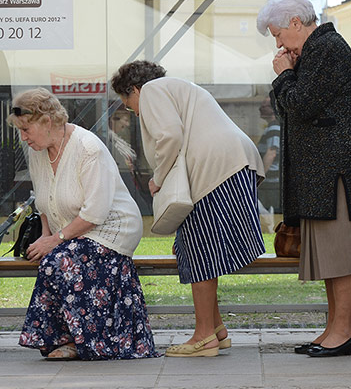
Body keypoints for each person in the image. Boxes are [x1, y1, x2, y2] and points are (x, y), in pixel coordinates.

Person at [257, 0, 351, 357]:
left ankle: (343, 331)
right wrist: (289, 75)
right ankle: (334, 328)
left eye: (280, 36)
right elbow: (291, 108)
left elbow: (298, 104)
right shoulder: (315, 52)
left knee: (341, 254)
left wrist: (284, 75)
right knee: (332, 255)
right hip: (327, 176)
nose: (280, 46)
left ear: (296, 23)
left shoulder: (327, 49)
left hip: (338, 174)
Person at [110, 61, 266, 358]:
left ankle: (204, 336)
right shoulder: (180, 88)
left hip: (215, 170)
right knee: (194, 247)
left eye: (128, 104)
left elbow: (169, 136)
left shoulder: (152, 91)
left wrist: (158, 178)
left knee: (199, 251)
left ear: (134, 89)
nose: (134, 112)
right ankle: (216, 329)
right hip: (232, 164)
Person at [8, 88, 157, 361]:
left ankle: (80, 341)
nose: (23, 137)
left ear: (47, 121)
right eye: (20, 130)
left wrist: (55, 241)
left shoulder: (87, 147)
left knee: (62, 261)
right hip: (72, 233)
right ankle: (62, 339)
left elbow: (95, 213)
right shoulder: (38, 152)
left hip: (111, 229)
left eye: (26, 129)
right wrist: (45, 239)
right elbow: (44, 203)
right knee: (52, 259)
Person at [256, 96, 281, 214]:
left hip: (271, 184)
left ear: (273, 109)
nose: (260, 109)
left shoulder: (274, 127)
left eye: (264, 106)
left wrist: (259, 178)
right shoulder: (271, 127)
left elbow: (271, 153)